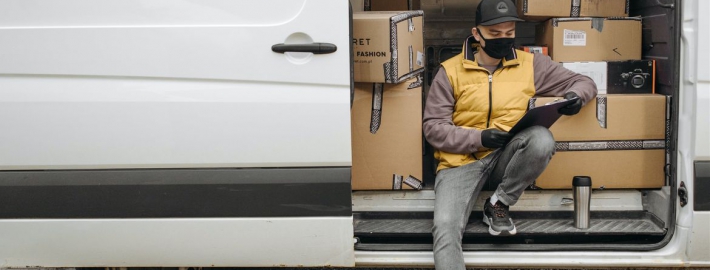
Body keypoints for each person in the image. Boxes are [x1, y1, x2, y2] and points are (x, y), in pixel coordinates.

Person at [422, 0, 598, 269]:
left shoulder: (531, 65)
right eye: (495, 34)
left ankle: (499, 204)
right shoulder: (449, 72)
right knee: (445, 229)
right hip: (460, 162)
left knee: (541, 138)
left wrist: (576, 96)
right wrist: (479, 138)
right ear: (477, 33)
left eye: (509, 33)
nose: (503, 40)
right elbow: (433, 128)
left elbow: (584, 81)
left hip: (506, 157)